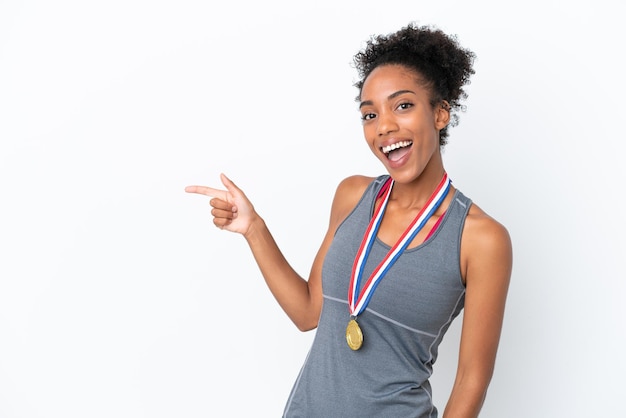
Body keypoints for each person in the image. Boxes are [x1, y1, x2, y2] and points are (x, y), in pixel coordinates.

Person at [186, 22, 512, 418]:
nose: (384, 126)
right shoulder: (352, 196)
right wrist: (254, 228)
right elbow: (308, 312)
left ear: (440, 113)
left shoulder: (480, 239)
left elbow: (471, 379)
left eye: (403, 105)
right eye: (369, 114)